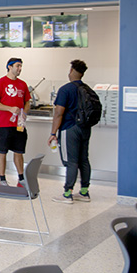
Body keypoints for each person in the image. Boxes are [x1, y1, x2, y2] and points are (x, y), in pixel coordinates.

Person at [49, 60, 94, 204]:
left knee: (71, 161)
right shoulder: (87, 89)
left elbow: (58, 114)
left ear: (72, 71)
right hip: (85, 128)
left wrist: (53, 133)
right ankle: (84, 192)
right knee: (84, 159)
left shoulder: (65, 89)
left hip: (70, 128)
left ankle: (67, 193)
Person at [0, 58, 31, 187]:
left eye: (21, 66)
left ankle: (21, 179)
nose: (19, 69)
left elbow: (27, 102)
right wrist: (9, 108)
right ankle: (2, 179)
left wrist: (24, 112)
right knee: (2, 152)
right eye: (17, 66)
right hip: (3, 125)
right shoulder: (0, 83)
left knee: (19, 151)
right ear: (9, 67)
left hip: (18, 125)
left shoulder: (23, 84)